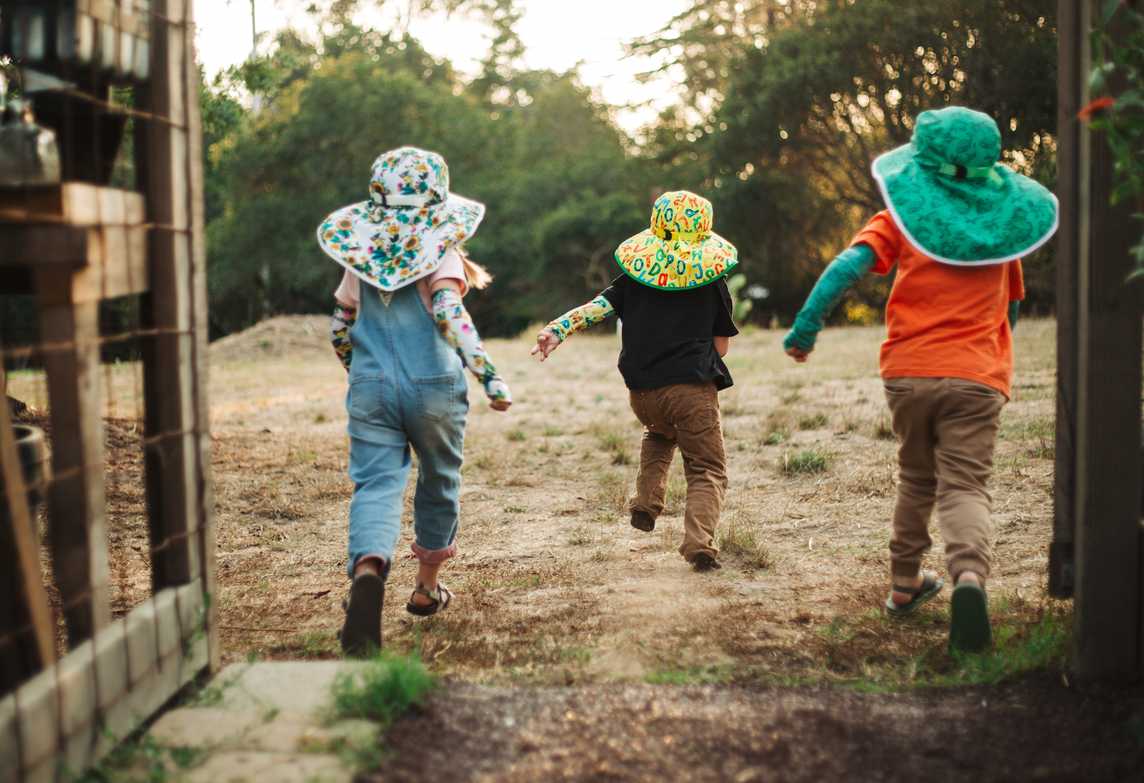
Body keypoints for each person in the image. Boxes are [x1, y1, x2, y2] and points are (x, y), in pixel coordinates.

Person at [782, 107, 1058, 651]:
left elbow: (844, 268)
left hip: (909, 372)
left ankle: (906, 584)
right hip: (979, 376)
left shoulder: (904, 216)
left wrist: (805, 329)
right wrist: (994, 358)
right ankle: (969, 579)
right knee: (966, 485)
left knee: (916, 477)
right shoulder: (1003, 228)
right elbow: (1013, 310)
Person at [317, 145, 512, 656]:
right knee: (439, 477)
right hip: (435, 390)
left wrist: (357, 370)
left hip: (371, 388)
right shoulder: (440, 253)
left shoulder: (362, 261)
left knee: (376, 485)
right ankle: (426, 588)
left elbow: (340, 327)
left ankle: (367, 575)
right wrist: (488, 376)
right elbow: (450, 315)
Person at [530, 190, 740, 571]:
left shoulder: (632, 280)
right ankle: (699, 544)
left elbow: (596, 309)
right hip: (691, 389)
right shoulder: (713, 284)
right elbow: (720, 348)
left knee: (660, 434)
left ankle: (645, 503)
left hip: (642, 393)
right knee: (707, 468)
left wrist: (557, 330)